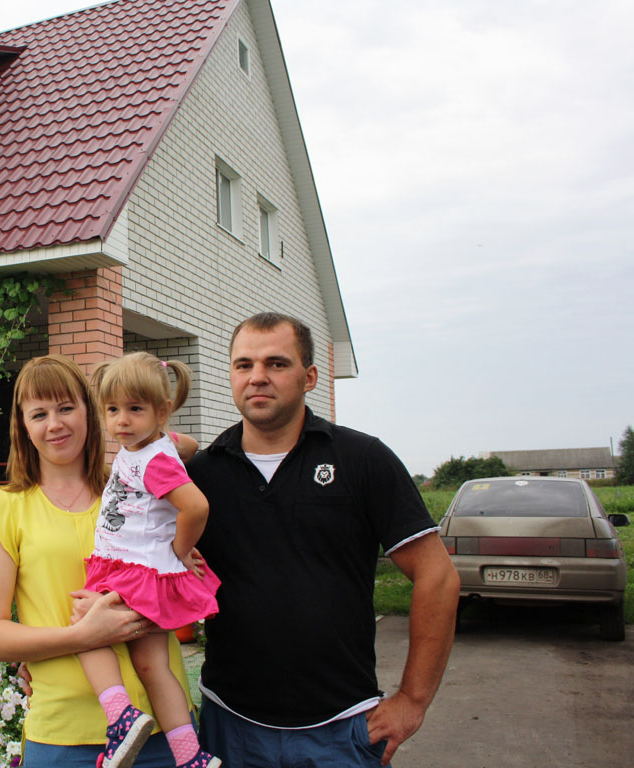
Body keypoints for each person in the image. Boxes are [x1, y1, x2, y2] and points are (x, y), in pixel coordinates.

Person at [186, 312, 460, 768]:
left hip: (342, 729)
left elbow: (438, 577)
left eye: (276, 363)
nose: (257, 378)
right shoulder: (198, 477)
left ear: (309, 376)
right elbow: (134, 573)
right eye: (243, 365)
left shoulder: (361, 459)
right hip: (229, 726)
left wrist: (413, 699)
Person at [0, 354, 197, 767]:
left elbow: (180, 587)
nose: (55, 424)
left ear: (90, 413)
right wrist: (78, 637)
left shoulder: (139, 490)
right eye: (39, 413)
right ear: (23, 425)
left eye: (66, 408)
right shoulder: (4, 508)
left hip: (166, 734)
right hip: (63, 736)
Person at [78, 352, 222, 768]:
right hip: (144, 571)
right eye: (113, 410)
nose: (122, 420)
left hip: (133, 569)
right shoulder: (154, 447)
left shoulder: (153, 460)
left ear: (161, 412)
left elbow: (196, 507)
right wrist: (166, 438)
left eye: (135, 409)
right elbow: (189, 445)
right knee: (153, 666)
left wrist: (177, 551)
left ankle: (121, 716)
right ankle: (190, 756)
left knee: (85, 628)